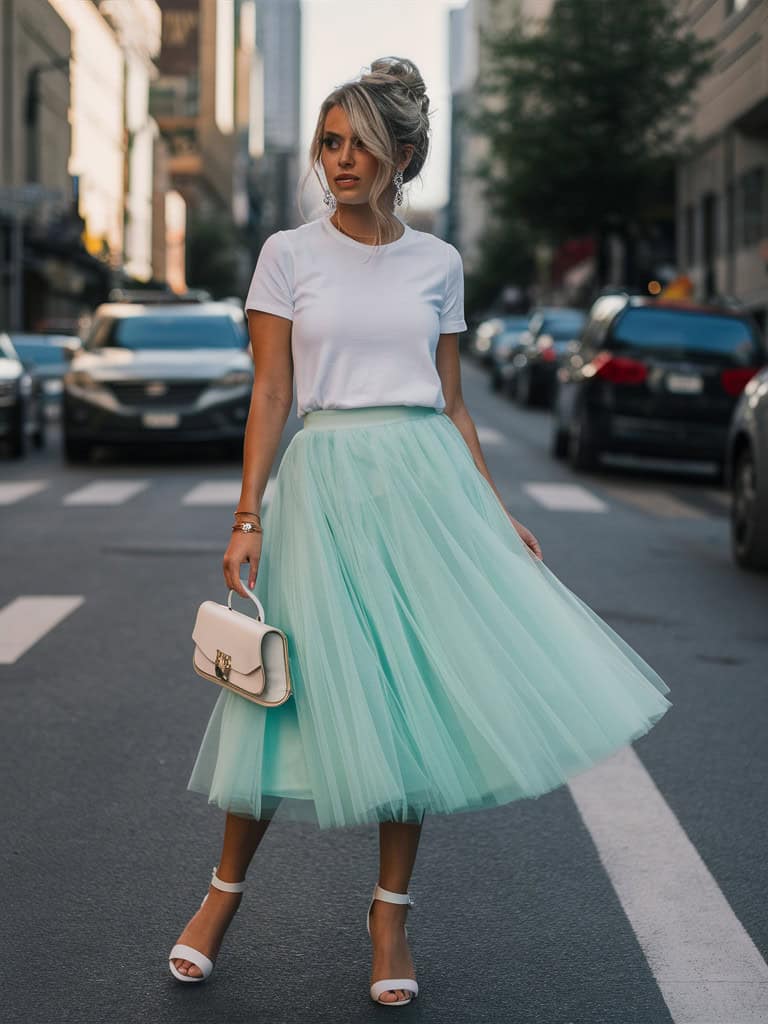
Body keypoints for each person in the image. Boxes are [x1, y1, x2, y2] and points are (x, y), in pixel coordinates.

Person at [168, 57, 672, 1006]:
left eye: (359, 143)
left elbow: (452, 403)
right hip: (322, 487)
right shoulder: (287, 253)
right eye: (329, 141)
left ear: (402, 155)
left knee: (406, 705)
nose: (340, 159)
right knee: (273, 698)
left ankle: (390, 916)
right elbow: (271, 391)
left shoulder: (438, 261)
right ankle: (219, 900)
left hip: (423, 487)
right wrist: (247, 515)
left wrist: (492, 511)